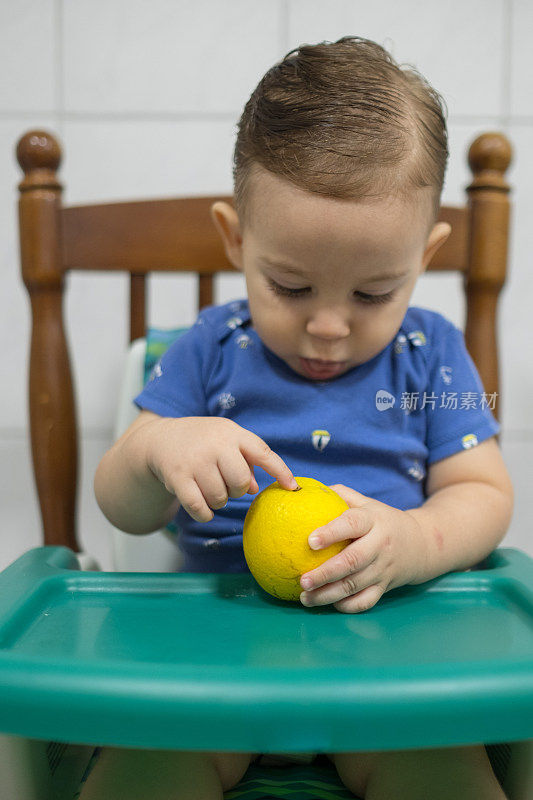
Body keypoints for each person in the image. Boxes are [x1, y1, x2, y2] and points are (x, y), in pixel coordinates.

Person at [83, 36, 513, 800]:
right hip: (211, 661)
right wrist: (159, 450)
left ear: (426, 255)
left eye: (372, 294)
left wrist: (411, 541)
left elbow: (484, 494)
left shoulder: (434, 354)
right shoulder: (209, 347)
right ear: (236, 239)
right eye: (289, 285)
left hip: (392, 658)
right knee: (141, 772)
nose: (327, 327)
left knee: (447, 774)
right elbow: (120, 504)